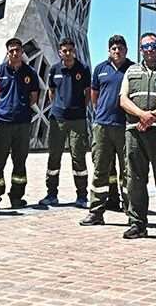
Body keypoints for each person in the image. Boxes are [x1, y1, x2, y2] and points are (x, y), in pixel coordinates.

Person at [118, 33, 156, 239]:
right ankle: (137, 223)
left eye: (153, 45)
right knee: (135, 179)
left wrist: (153, 117)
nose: (149, 49)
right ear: (140, 49)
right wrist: (141, 115)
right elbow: (123, 99)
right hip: (134, 132)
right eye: (145, 46)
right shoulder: (131, 70)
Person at [79, 35, 132, 226]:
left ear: (126, 50)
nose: (117, 51)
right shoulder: (100, 69)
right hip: (102, 126)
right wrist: (101, 115)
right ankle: (96, 211)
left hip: (125, 127)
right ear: (109, 51)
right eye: (114, 48)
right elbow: (95, 97)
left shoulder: (132, 69)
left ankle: (132, 213)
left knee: (128, 171)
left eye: (120, 48)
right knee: (100, 169)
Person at [0, 38, 39, 209]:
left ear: (22, 52)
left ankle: (17, 197)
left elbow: (33, 97)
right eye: (12, 50)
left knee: (20, 162)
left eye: (18, 50)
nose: (15, 53)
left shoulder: (29, 73)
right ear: (7, 52)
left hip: (22, 124)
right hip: (2, 123)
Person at [39, 37, 90, 208]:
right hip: (58, 119)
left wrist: (79, 108)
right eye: (64, 51)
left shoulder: (83, 69)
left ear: (74, 51)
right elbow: (51, 92)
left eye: (70, 50)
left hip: (77, 119)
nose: (68, 53)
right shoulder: (54, 69)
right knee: (54, 157)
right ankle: (51, 194)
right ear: (60, 52)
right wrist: (58, 107)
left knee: (78, 158)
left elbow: (87, 93)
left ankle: (82, 196)